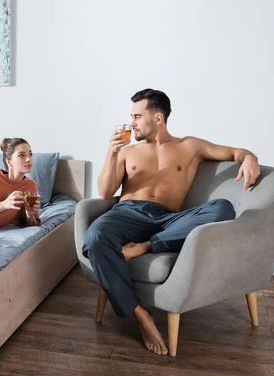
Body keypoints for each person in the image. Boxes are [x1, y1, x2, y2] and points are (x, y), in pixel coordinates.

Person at [83, 88, 261, 356]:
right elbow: (106, 193)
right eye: (131, 116)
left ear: (157, 118)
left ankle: (145, 247)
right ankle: (140, 314)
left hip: (169, 219)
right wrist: (111, 152)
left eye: (136, 116)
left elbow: (236, 152)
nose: (131, 122)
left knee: (222, 208)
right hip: (127, 213)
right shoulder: (127, 151)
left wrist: (250, 158)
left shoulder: (190, 146)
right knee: (95, 238)